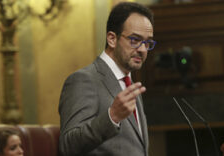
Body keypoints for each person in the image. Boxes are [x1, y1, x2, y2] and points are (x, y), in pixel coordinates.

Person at [58, 2, 156, 156]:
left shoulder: (130, 84)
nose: (143, 49)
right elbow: (68, 145)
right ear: (112, 39)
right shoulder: (84, 80)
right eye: (135, 40)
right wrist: (112, 116)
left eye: (147, 42)